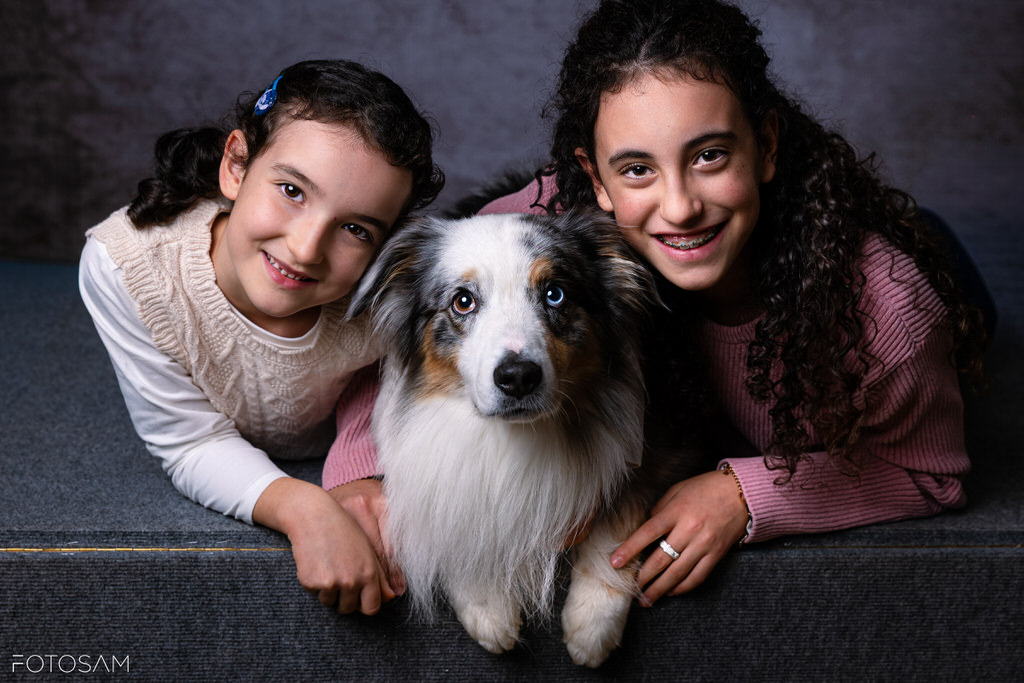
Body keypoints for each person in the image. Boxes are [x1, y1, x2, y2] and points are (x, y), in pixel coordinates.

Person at [474, 0, 990, 606]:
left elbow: (933, 474)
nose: (680, 206)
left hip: (919, 268)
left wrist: (742, 492)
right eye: (637, 169)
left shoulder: (889, 310)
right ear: (595, 180)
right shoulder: (553, 223)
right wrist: (360, 481)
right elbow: (425, 299)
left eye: (708, 156)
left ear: (766, 144)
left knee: (945, 259)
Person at [79, 59, 443, 616]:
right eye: (293, 190)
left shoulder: (390, 286)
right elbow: (191, 442)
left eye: (355, 228)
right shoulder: (130, 266)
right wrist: (304, 507)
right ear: (236, 165)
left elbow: (411, 381)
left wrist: (360, 469)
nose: (305, 248)